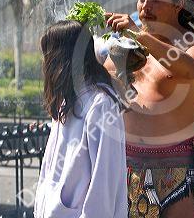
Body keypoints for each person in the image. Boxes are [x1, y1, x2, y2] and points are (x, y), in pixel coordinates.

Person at [104, 0, 194, 217]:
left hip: (176, 171)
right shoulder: (122, 45)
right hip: (125, 166)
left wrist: (140, 36)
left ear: (178, 4)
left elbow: (190, 67)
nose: (145, 6)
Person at [34, 20, 127, 218]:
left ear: (63, 58)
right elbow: (50, 169)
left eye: (48, 55)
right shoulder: (65, 101)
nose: (44, 63)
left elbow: (104, 182)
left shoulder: (100, 105)